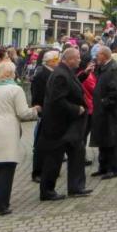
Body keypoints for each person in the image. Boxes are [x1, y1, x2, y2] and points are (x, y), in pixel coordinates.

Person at [0, 61, 38, 215]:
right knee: (7, 165)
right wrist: (35, 110)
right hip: (7, 126)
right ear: (10, 74)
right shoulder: (15, 90)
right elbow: (23, 112)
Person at [37, 48, 91, 201]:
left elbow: (72, 89)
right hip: (59, 125)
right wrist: (76, 109)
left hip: (70, 125)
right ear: (69, 59)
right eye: (77, 57)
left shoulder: (66, 72)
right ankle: (47, 191)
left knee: (77, 153)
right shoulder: (60, 74)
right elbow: (57, 100)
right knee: (54, 159)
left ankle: (76, 187)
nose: (80, 60)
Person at [89, 47, 117, 180]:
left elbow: (116, 92)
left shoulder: (114, 69)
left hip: (112, 113)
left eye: (98, 55)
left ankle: (114, 169)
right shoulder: (103, 68)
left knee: (112, 141)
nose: (96, 57)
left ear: (104, 56)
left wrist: (105, 102)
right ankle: (103, 167)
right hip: (102, 112)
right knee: (103, 140)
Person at [30, 50, 58, 182]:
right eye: (56, 59)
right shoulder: (41, 75)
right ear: (50, 61)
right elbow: (37, 94)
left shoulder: (52, 73)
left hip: (52, 113)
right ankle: (37, 172)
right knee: (41, 144)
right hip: (46, 112)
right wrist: (39, 109)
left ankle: (48, 168)